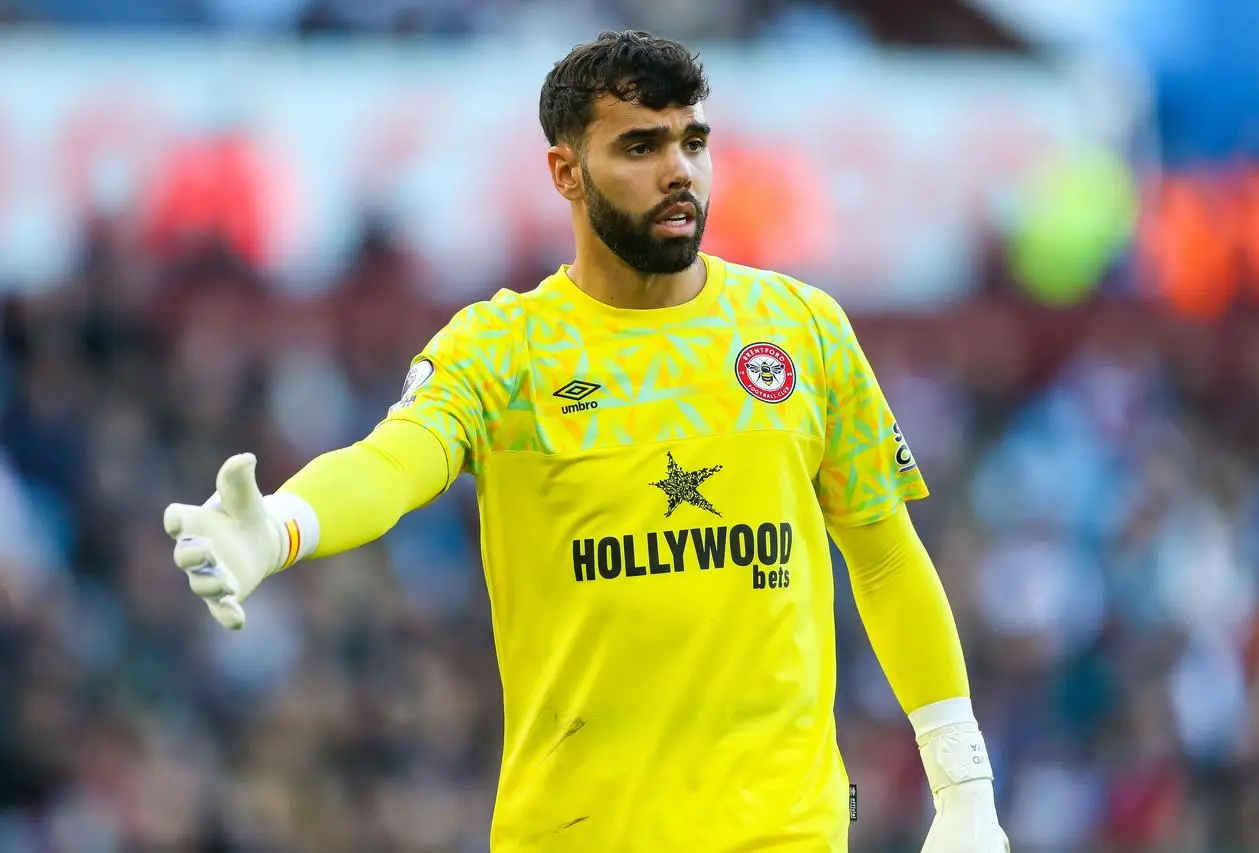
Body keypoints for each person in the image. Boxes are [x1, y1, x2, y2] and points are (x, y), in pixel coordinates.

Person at [163, 30, 1010, 853]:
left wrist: (964, 786)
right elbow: (393, 461)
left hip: (782, 833)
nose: (678, 169)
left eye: (693, 140)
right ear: (566, 171)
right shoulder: (505, 349)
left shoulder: (802, 329)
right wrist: (283, 524)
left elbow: (885, 555)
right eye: (640, 147)